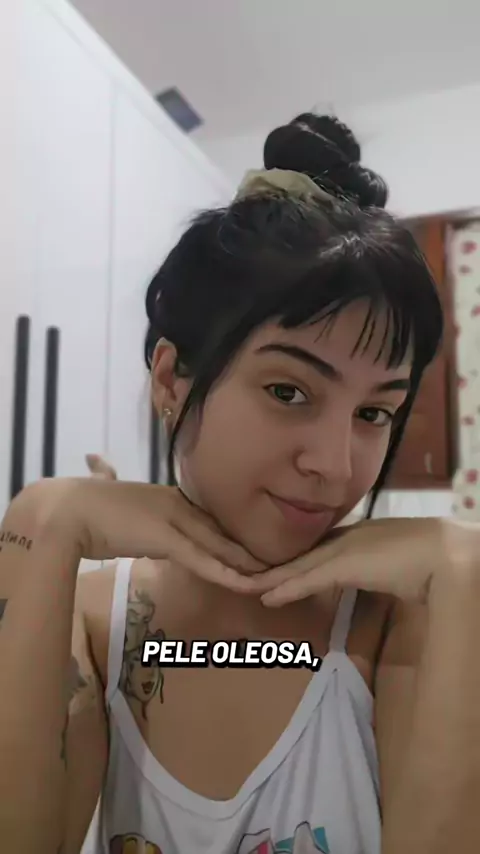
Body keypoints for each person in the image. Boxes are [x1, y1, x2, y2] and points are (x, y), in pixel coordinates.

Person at [0, 114, 479, 854]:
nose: (336, 466)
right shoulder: (91, 619)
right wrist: (42, 520)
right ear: (171, 379)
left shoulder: (397, 624)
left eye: (374, 412)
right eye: (289, 391)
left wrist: (465, 573)